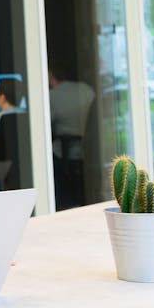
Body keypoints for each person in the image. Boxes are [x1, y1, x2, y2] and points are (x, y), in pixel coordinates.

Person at [48, 66, 96, 209]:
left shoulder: (52, 96)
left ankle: (64, 203)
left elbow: (45, 127)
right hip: (90, 149)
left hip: (65, 150)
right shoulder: (87, 89)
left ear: (50, 75)